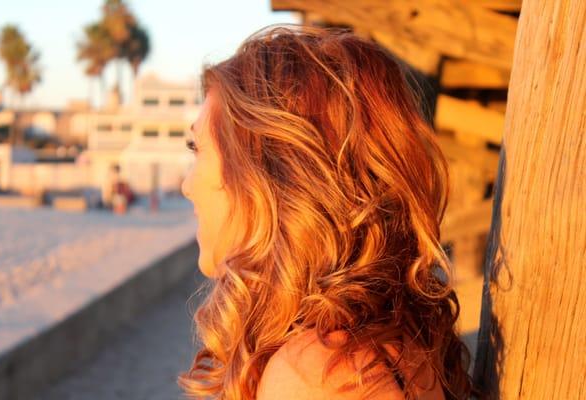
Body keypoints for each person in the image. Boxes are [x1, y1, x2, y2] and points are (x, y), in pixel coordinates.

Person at [179, 25, 473, 400]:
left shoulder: (317, 376)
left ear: (271, 176)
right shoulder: (374, 343)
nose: (187, 186)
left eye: (197, 148)